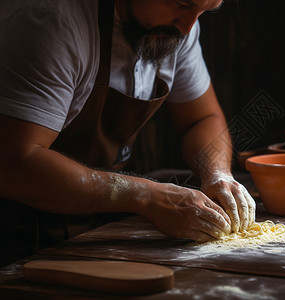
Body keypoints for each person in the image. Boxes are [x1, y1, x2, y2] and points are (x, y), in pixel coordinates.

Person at [0, 0, 256, 266]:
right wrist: (146, 196)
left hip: (95, 229)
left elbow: (201, 119)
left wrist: (216, 173)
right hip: (19, 236)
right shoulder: (53, 22)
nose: (189, 25)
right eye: (182, 4)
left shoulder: (177, 27)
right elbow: (14, 163)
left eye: (205, 11)